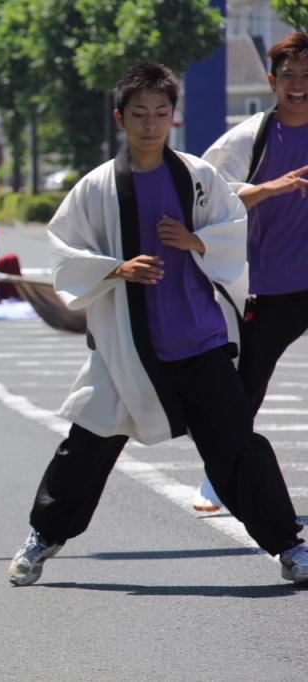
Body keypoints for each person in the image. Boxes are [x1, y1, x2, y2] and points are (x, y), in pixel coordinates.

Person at [6, 62, 308, 587]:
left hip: (200, 339)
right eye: (140, 114)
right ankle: (42, 538)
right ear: (119, 117)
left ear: (174, 117)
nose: (150, 124)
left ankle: (288, 547)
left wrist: (197, 242)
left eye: (161, 114)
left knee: (238, 445)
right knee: (87, 443)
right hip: (127, 345)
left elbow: (232, 226)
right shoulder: (96, 188)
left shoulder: (196, 176)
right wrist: (115, 269)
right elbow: (64, 252)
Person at [193, 32, 308, 512]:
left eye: (307, 76)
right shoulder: (251, 135)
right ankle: (218, 476)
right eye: (289, 76)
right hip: (271, 286)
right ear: (271, 81)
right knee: (246, 387)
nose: (298, 85)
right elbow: (205, 193)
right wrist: (270, 188)